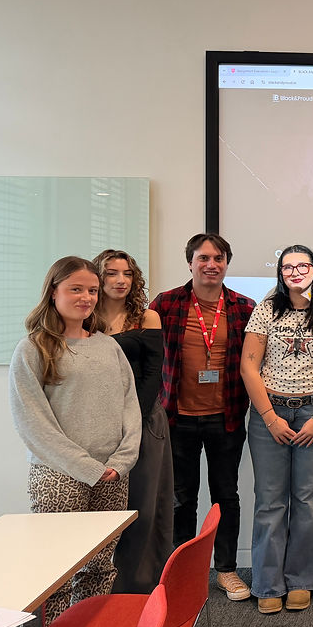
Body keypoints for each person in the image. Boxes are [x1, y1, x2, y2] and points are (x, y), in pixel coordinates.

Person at [8, 256, 141, 626]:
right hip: (60, 477)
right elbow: (33, 423)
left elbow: (130, 405)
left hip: (113, 474)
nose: (86, 297)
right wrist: (88, 469)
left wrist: (121, 461)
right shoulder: (33, 348)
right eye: (76, 289)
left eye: (92, 291)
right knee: (56, 574)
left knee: (100, 567)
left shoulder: (107, 346)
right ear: (54, 292)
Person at [241, 244, 313, 613]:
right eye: (288, 267)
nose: (295, 272)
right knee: (270, 500)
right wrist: (270, 417)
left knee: (308, 497)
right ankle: (268, 583)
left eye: (302, 265)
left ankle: (303, 579)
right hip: (269, 412)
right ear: (280, 273)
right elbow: (248, 368)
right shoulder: (265, 311)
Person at [150, 233, 255, 601]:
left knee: (226, 495)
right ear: (190, 262)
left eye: (219, 258)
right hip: (177, 419)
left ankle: (226, 570)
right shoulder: (166, 304)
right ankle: (178, 575)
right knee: (181, 499)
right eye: (204, 258)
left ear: (227, 263)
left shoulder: (244, 307)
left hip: (225, 418)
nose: (211, 264)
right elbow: (146, 359)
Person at [92, 249, 173, 594]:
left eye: (127, 273)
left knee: (143, 507)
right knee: (101, 512)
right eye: (111, 273)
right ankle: (98, 592)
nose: (121, 280)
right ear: (97, 277)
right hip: (94, 426)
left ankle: (139, 590)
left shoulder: (147, 317)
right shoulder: (84, 319)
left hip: (143, 422)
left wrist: (130, 426)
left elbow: (154, 375)